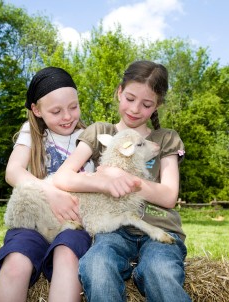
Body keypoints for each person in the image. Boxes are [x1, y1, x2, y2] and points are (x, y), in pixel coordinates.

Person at [53, 60, 190, 301]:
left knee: (160, 271)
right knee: (97, 266)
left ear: (157, 104)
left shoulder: (166, 138)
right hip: (113, 228)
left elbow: (169, 196)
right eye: (129, 98)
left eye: (146, 104)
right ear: (119, 92)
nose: (135, 109)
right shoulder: (100, 132)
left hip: (160, 227)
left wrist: (124, 178)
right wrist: (104, 181)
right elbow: (64, 176)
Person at [0, 67, 94, 302]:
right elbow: (12, 171)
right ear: (37, 110)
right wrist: (48, 191)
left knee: (67, 256)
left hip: (74, 225)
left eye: (73, 107)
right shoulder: (32, 132)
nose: (67, 117)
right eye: (56, 111)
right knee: (16, 262)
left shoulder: (89, 136)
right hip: (35, 224)